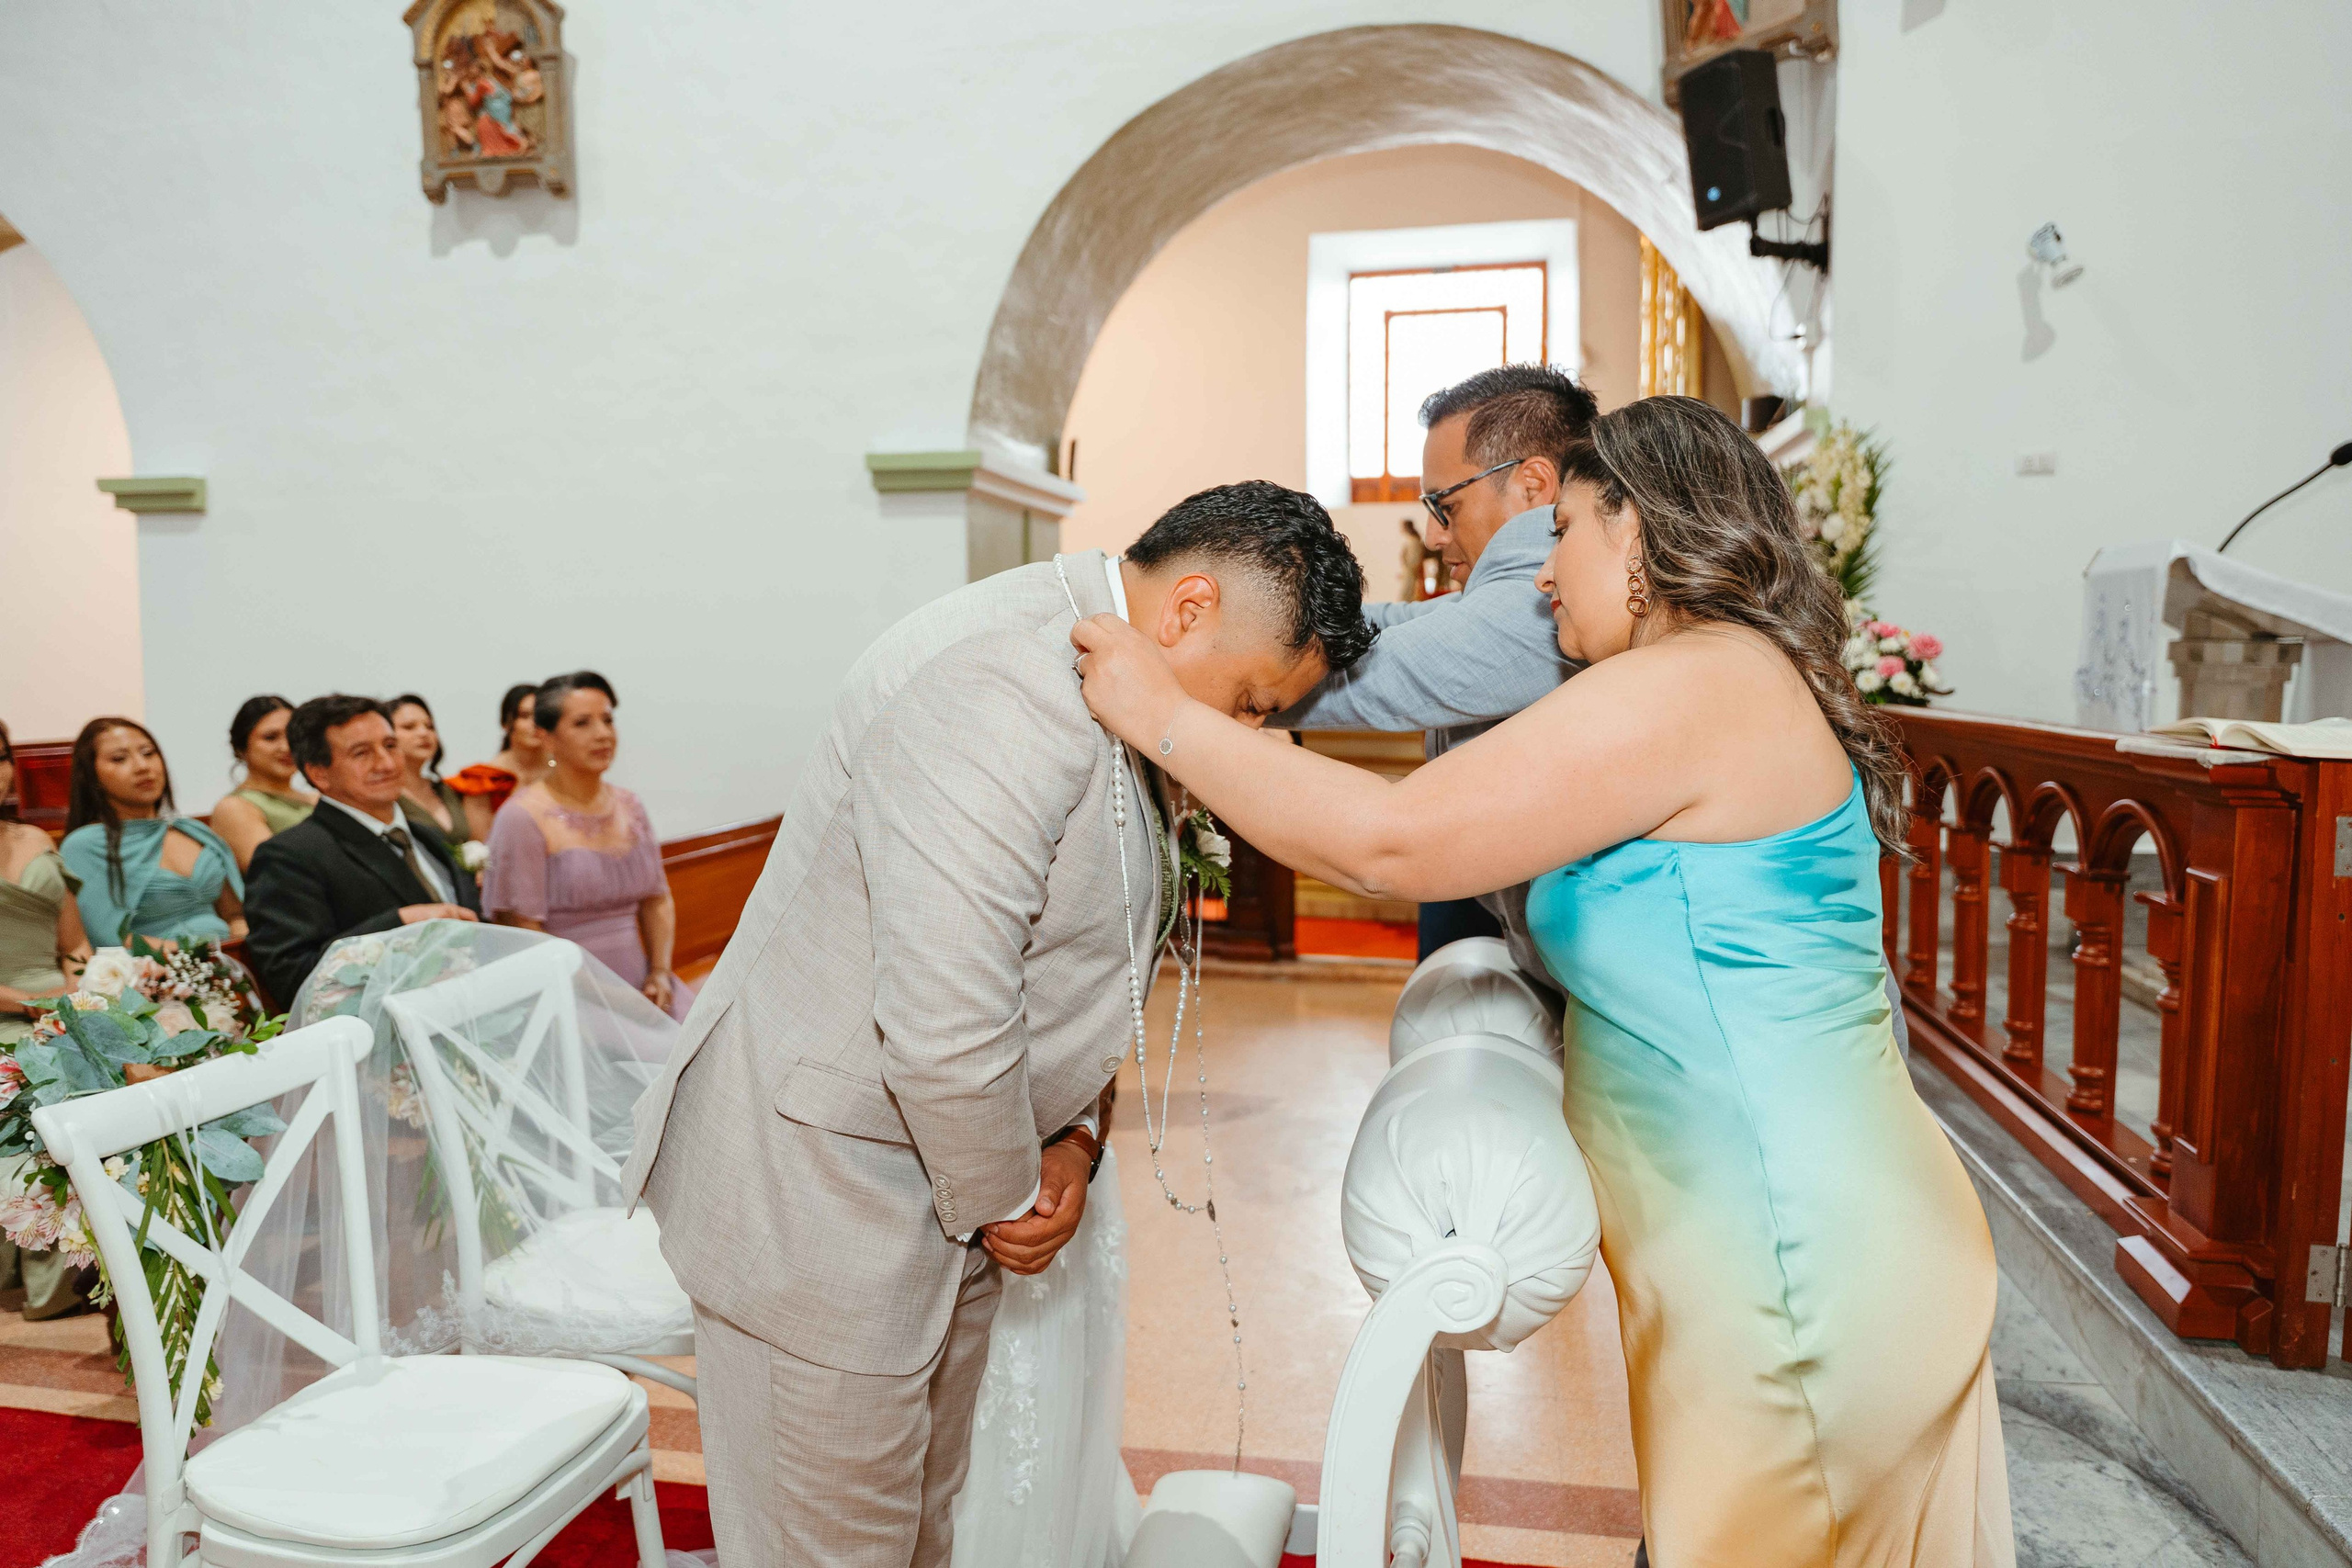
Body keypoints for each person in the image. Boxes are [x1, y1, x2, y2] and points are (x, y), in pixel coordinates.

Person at [1071, 400, 2013, 1566]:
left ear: (1641, 529)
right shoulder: (1705, 678)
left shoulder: (1699, 682)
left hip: (1793, 1254)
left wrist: (1164, 715)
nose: (1538, 576)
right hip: (1746, 1241)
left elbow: (1394, 843)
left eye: (1561, 528)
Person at [622, 481, 1372, 1565]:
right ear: (1190, 607)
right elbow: (945, 1014)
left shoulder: (1113, 678)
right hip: (825, 1201)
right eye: (1253, 700)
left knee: (916, 1530)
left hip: (940, 1182)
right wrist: (1013, 1192)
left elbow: (1075, 965)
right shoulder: (1001, 682)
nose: (1245, 732)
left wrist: (1074, 1134)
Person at [1277, 364, 1592, 967]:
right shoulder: (1513, 589)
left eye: (1445, 504)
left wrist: (1203, 674)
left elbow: (1367, 681)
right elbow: (1390, 624)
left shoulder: (1544, 602)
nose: (1431, 533)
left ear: (1532, 485)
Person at [243, 695, 479, 1007]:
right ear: (319, 774)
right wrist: (399, 923)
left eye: (391, 745)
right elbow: (294, 978)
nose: (387, 763)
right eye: (362, 753)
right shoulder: (289, 856)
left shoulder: (427, 835)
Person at [484, 671, 693, 1021]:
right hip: (569, 995)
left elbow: (657, 898)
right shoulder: (521, 818)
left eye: (608, 720)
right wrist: (614, 999)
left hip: (643, 982)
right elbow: (526, 934)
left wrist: (659, 971)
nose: (603, 734)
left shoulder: (630, 806)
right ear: (545, 737)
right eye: (582, 723)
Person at [0, 720, 94, 1319]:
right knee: (26, 1081)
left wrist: (85, 996)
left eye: (0, 755)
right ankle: (45, 1275)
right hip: (13, 1013)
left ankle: (108, 1260)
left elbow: (76, 945)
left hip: (54, 1003)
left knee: (116, 1066)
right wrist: (28, 1005)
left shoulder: (36, 836)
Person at [61, 717, 245, 949]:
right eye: (119, 759)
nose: (142, 766)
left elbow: (235, 915)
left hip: (230, 963)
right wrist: (197, 958)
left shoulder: (195, 831)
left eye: (148, 753)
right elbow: (108, 938)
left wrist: (240, 949)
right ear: (91, 776)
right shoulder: (84, 846)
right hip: (152, 974)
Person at [211, 695, 317, 873]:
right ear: (241, 748)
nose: (286, 747)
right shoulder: (233, 808)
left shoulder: (317, 799)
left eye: (293, 736)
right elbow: (275, 873)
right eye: (270, 737)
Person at [448, 682, 552, 842]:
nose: (535, 724)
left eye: (540, 716)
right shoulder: (486, 778)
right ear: (506, 723)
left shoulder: (565, 771)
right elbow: (481, 848)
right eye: (524, 716)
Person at [388, 694, 476, 846]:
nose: (424, 733)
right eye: (409, 727)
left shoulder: (447, 789)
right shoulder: (385, 797)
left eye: (430, 727)